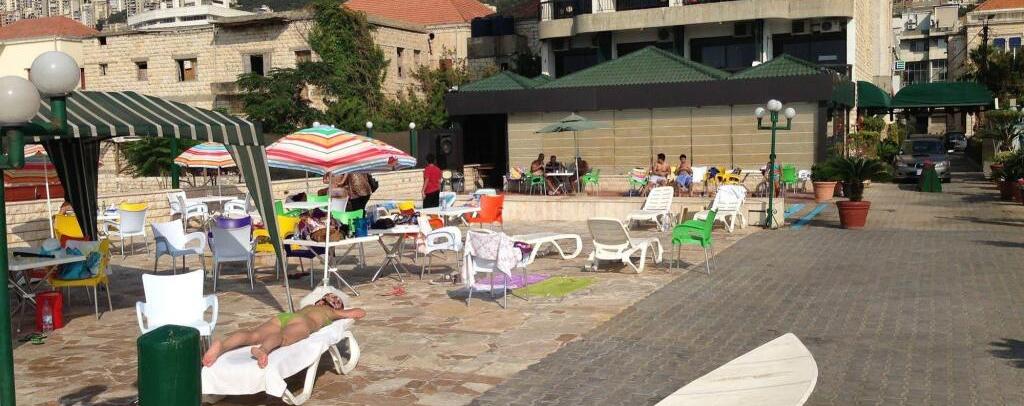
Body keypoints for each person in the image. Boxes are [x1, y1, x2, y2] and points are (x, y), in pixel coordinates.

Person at [202, 291, 366, 368]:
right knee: (283, 337)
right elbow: (357, 313)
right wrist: (343, 312)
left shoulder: (308, 306)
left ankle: (221, 346)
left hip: (285, 316)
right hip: (303, 322)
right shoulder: (329, 311)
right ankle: (263, 350)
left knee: (253, 334)